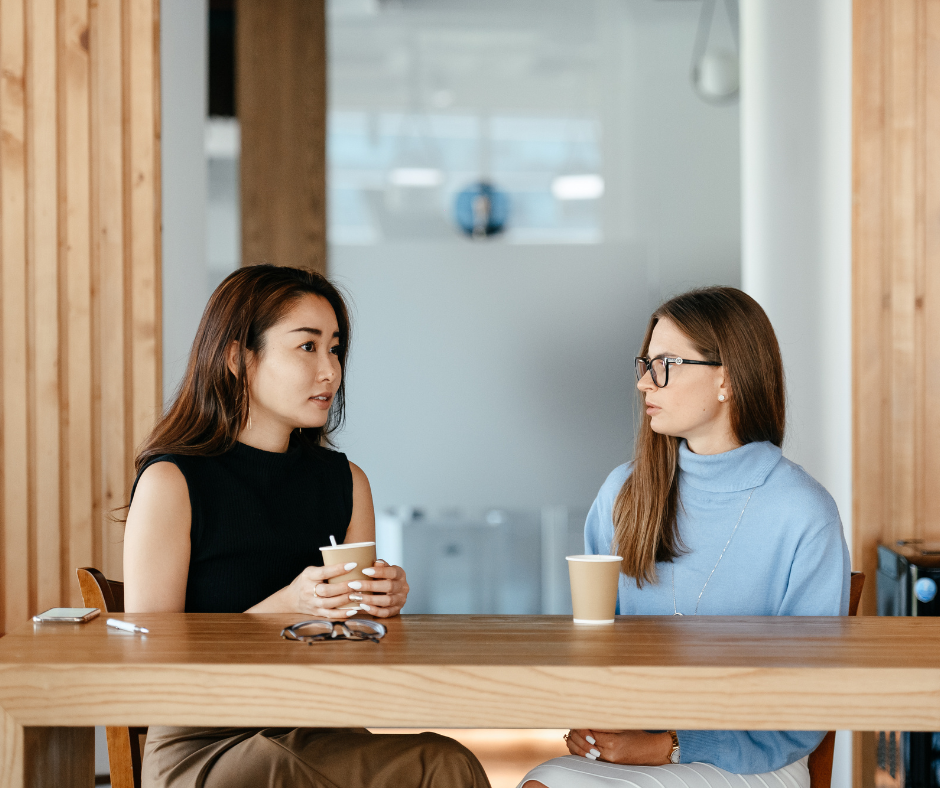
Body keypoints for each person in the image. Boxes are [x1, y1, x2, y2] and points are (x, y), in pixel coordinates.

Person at [124, 264, 491, 788]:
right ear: (236, 358)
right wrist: (287, 606)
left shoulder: (346, 482)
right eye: (307, 347)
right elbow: (152, 660)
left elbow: (358, 647)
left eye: (335, 349)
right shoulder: (172, 481)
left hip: (320, 727)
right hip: (205, 744)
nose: (331, 371)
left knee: (447, 761)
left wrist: (379, 606)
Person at [520, 287, 850, 788]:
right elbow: (593, 643)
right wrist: (591, 716)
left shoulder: (803, 512)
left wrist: (670, 745)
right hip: (637, 745)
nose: (643, 384)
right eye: (644, 364)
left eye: (666, 364)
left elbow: (808, 701)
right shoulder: (623, 493)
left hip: (757, 761)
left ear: (728, 378)